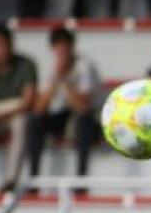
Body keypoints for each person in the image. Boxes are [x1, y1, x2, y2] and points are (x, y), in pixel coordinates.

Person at [27, 26, 101, 188]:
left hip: (85, 121)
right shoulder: (50, 68)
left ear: (72, 47)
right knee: (34, 121)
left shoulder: (85, 66)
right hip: (61, 117)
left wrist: (63, 81)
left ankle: (81, 180)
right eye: (58, 48)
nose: (62, 53)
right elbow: (39, 108)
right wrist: (55, 80)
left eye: (65, 48)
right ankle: (33, 179)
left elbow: (83, 106)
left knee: (84, 120)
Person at [0, 24, 37, 194]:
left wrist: (4, 112)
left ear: (11, 44)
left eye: (1, 44)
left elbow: (28, 102)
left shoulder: (25, 64)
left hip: (14, 114)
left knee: (21, 122)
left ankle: (11, 180)